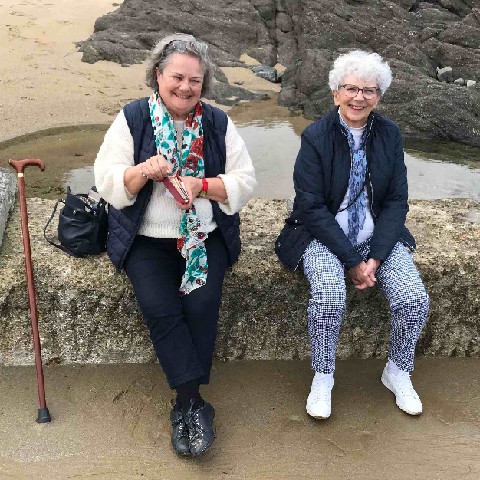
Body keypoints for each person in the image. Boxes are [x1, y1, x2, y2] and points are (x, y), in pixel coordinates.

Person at [94, 33, 256, 456]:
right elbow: (109, 181)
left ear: (205, 85)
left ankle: (186, 404)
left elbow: (245, 181)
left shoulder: (219, 123)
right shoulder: (132, 119)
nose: (185, 87)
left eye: (195, 80)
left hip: (204, 237)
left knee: (201, 307)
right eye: (177, 77)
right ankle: (192, 402)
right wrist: (141, 172)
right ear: (157, 75)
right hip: (146, 239)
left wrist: (200, 184)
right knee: (161, 308)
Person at [275, 50, 429, 420]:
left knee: (414, 299)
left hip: (377, 239)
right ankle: (323, 376)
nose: (359, 97)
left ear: (379, 96)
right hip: (322, 236)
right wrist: (353, 260)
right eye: (351, 88)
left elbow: (396, 200)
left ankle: (397, 370)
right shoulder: (315, 136)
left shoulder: (390, 134)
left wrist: (374, 256)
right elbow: (310, 207)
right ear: (336, 93)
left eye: (369, 90)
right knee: (329, 297)